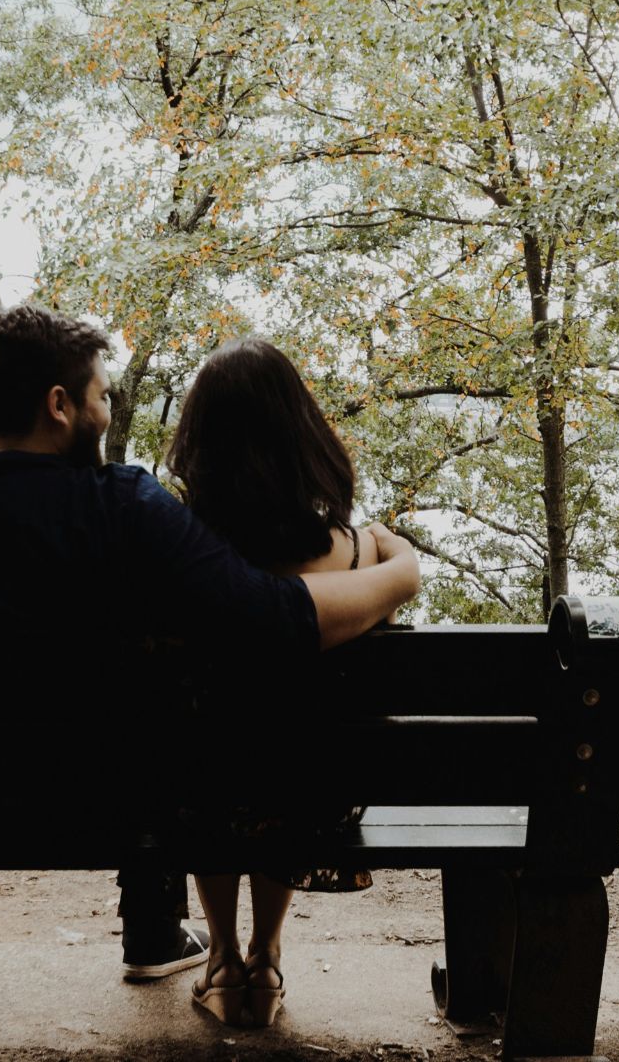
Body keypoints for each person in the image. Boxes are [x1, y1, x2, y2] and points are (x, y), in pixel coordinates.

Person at [0, 304, 419, 986]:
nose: (107, 410)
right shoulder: (125, 512)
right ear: (60, 406)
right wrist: (398, 574)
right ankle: (159, 931)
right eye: (101, 395)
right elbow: (270, 618)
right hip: (95, 805)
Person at [162, 336, 379, 1028]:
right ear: (300, 434)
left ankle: (222, 961)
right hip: (313, 797)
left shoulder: (181, 552)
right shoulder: (349, 552)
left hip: (197, 792)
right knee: (287, 756)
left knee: (208, 760)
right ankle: (267, 956)